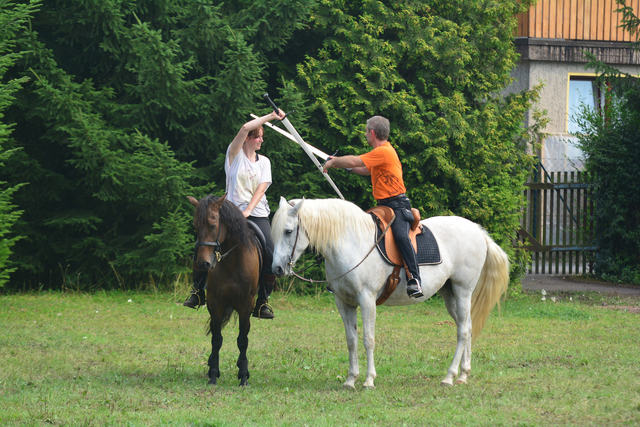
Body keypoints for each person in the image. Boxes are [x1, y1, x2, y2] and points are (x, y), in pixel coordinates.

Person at [184, 109, 286, 317]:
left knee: (270, 251)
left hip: (256, 213)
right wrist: (271, 117)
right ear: (249, 139)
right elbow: (245, 127)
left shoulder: (265, 162)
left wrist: (248, 211)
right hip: (229, 213)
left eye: (261, 138)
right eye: (258, 137)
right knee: (205, 242)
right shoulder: (234, 155)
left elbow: (262, 188)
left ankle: (263, 302)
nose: (260, 141)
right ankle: (198, 291)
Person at [322, 115, 423, 298]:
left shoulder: (384, 151)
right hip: (383, 205)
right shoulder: (380, 154)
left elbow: (355, 160)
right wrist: (343, 167)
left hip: (398, 206)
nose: (365, 135)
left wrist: (335, 162)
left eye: (367, 131)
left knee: (401, 236)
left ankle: (414, 278)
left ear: (373, 132)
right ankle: (344, 279)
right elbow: (364, 169)